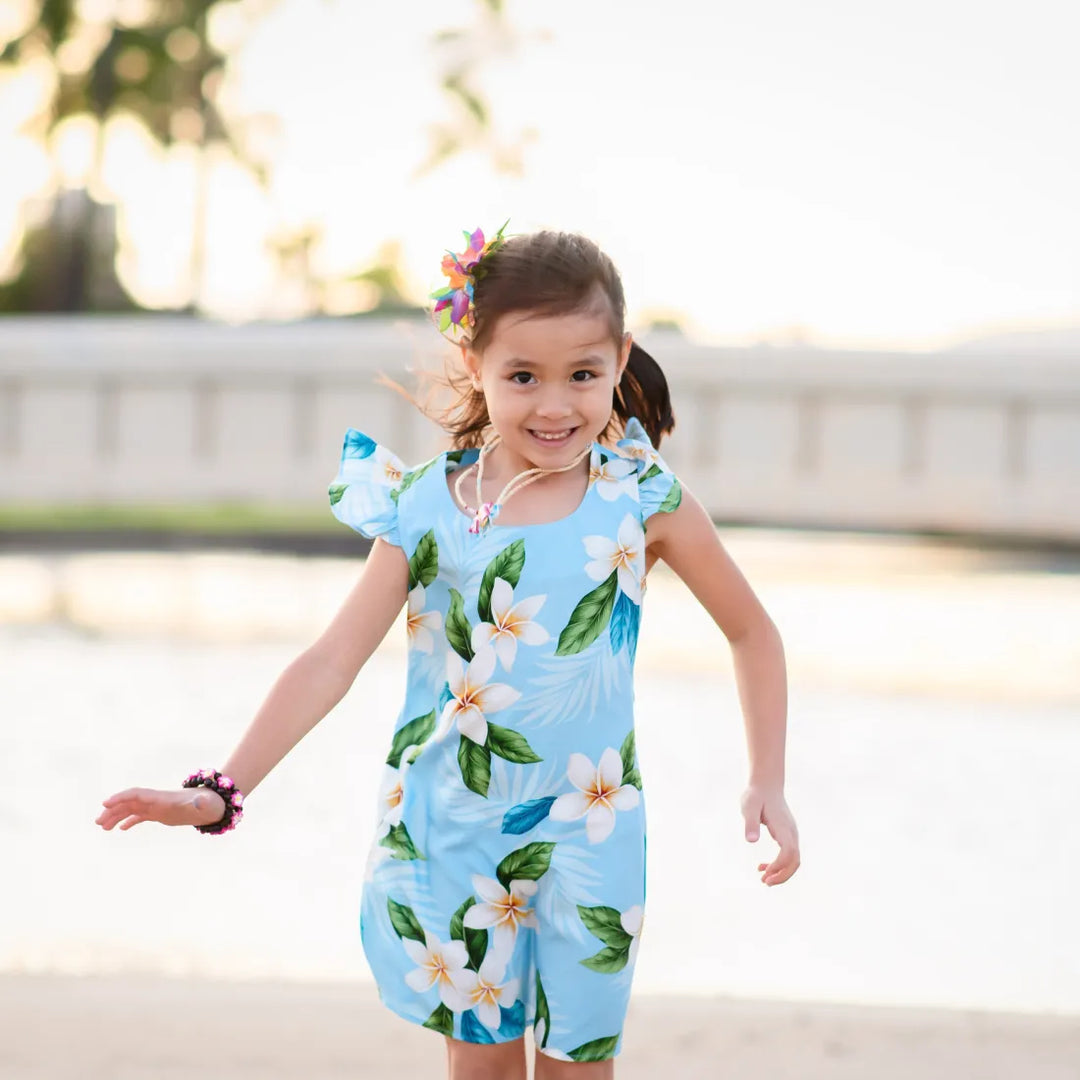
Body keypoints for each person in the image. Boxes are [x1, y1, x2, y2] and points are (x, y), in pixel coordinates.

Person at [96, 226, 800, 1079]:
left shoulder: (642, 499)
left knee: (583, 1064)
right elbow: (330, 661)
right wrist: (222, 790)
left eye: (583, 374)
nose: (555, 405)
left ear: (620, 357)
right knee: (486, 1071)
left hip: (594, 829)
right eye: (523, 377)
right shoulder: (426, 504)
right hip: (449, 831)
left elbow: (752, 630)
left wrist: (767, 776)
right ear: (476, 364)